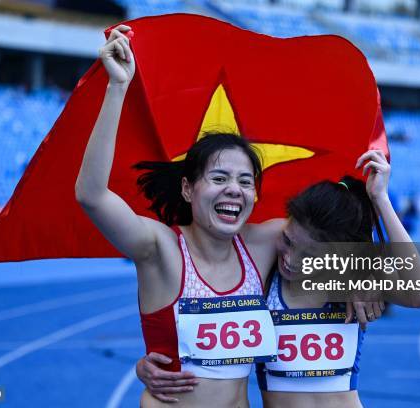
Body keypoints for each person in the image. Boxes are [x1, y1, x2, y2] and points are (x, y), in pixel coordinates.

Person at [76, 25, 289, 407]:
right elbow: (91, 195)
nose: (234, 190)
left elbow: (344, 239)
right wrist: (117, 87)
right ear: (189, 189)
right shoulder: (161, 248)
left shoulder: (263, 244)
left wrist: (359, 286)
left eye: (245, 181)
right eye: (219, 178)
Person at [136, 152, 420, 407]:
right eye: (289, 242)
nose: (291, 260)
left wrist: (380, 200)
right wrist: (152, 363)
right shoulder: (260, 278)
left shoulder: (348, 279)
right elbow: (203, 328)